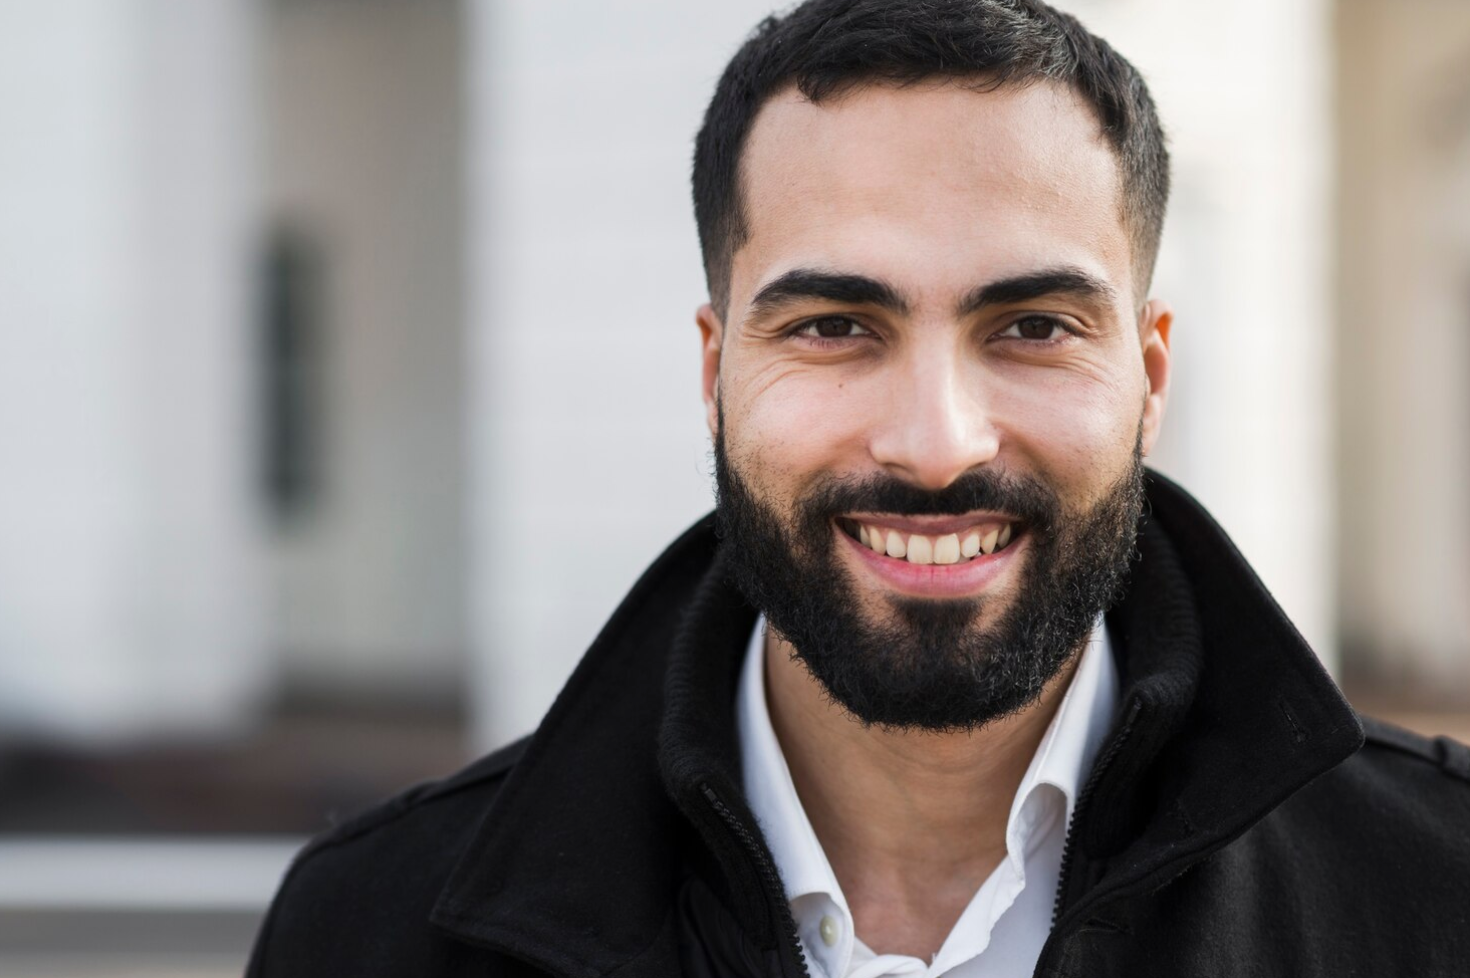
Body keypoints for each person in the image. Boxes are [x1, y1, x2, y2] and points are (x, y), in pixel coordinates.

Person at [247, 1, 1470, 975]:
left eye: (1034, 325)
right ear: (717, 368)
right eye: (835, 325)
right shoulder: (371, 932)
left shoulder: (1436, 892)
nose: (936, 446)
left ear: (1149, 374)